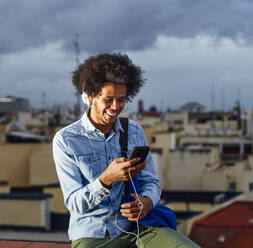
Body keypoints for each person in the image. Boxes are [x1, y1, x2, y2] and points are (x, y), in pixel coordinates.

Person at [52, 53, 199, 247]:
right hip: (94, 234)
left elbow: (151, 182)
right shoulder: (66, 140)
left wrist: (147, 201)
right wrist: (106, 180)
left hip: (140, 228)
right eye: (109, 99)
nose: (115, 107)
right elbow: (74, 204)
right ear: (90, 97)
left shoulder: (134, 130)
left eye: (121, 100)